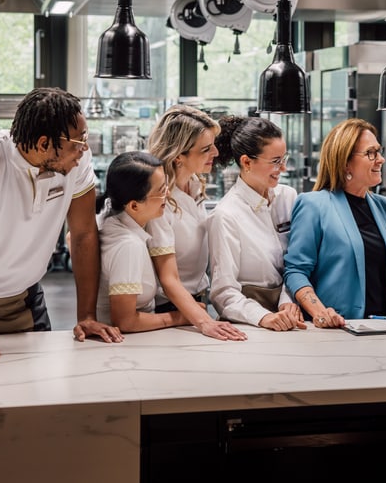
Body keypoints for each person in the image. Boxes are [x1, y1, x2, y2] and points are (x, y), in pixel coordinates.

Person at [0, 87, 123, 358]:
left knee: (37, 393)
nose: (84, 148)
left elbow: (84, 233)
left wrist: (87, 315)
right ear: (43, 144)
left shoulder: (76, 160)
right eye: (79, 141)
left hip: (26, 301)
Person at [284, 118, 386, 328]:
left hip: (381, 326)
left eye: (379, 151)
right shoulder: (313, 205)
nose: (381, 159)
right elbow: (296, 271)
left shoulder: (385, 207)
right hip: (334, 331)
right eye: (371, 153)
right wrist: (320, 313)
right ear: (345, 162)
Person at [146, 105, 246, 341]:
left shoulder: (194, 184)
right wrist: (205, 322)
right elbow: (168, 278)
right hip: (168, 307)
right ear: (179, 155)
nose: (215, 153)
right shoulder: (159, 201)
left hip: (196, 301)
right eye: (205, 149)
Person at [207, 116, 306, 331]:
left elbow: (298, 262)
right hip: (250, 324)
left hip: (293, 316)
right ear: (246, 162)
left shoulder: (289, 197)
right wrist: (263, 317)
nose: (284, 169)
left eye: (284, 159)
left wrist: (287, 300)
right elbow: (223, 293)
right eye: (275, 162)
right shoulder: (225, 216)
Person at [96, 151, 194, 331]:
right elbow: (125, 321)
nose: (168, 195)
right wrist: (178, 317)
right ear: (134, 205)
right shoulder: (128, 246)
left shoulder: (110, 219)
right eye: (160, 191)